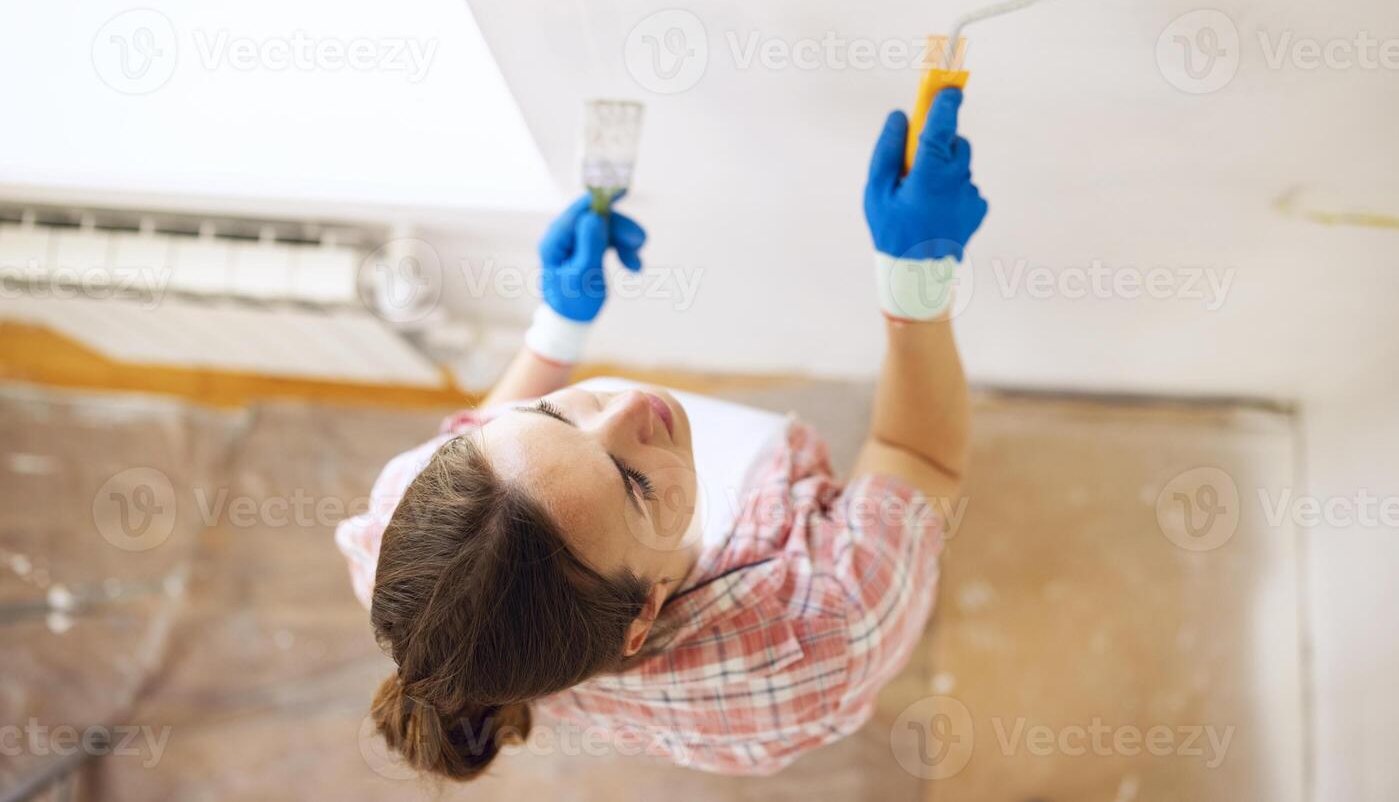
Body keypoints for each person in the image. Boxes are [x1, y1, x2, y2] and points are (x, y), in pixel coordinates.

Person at [336, 88, 987, 778]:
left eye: (552, 414)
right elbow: (917, 455)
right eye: (635, 482)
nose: (632, 405)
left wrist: (556, 330)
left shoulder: (396, 542)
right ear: (645, 611)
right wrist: (916, 285)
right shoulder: (825, 627)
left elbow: (494, 441)